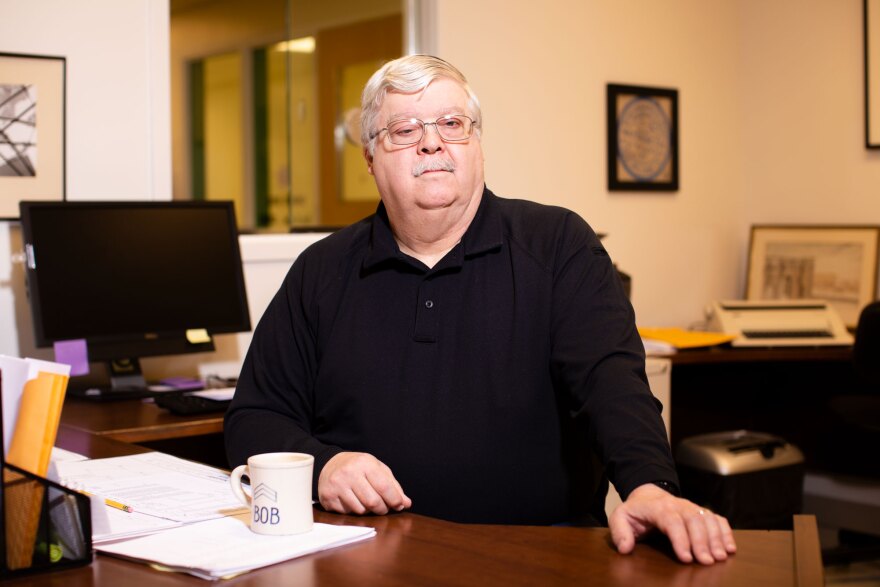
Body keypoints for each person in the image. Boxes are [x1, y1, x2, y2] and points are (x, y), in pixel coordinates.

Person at [225, 54, 737, 565]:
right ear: (370, 157)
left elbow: (613, 387)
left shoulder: (559, 246)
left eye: (452, 123)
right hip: (364, 554)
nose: (433, 142)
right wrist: (324, 466)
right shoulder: (322, 270)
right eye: (404, 130)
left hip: (537, 554)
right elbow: (254, 415)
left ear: (477, 143)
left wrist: (648, 486)